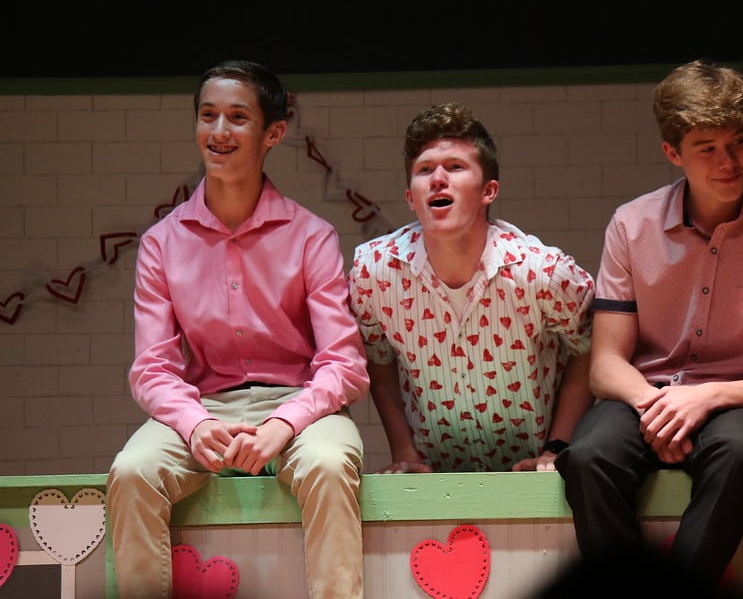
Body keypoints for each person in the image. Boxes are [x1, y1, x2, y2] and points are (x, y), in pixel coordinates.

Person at [554, 59, 743, 590]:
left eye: (739, 142)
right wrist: (659, 409)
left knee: (737, 451)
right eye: (707, 148)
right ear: (673, 153)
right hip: (648, 393)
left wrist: (706, 398)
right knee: (588, 456)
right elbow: (606, 366)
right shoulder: (631, 225)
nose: (729, 162)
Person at [106, 60, 370, 599]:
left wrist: (285, 423)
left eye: (237, 117)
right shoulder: (161, 242)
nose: (219, 132)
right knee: (132, 472)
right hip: (205, 409)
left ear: (274, 132)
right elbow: (152, 368)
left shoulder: (311, 236)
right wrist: (195, 422)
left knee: (328, 461)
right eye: (208, 116)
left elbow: (345, 364)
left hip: (301, 406)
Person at [347, 101, 595, 473]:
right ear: (410, 197)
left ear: (488, 191)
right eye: (425, 170)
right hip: (435, 475)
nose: (438, 179)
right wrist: (404, 453)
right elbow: (378, 364)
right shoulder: (374, 271)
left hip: (533, 470)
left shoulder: (542, 271)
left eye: (456, 167)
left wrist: (558, 447)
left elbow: (591, 348)